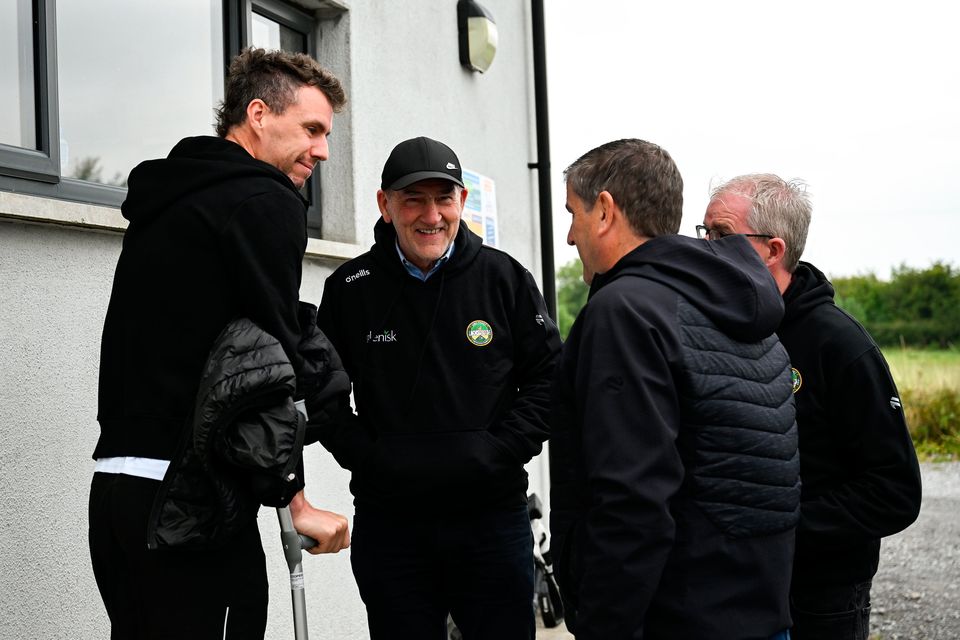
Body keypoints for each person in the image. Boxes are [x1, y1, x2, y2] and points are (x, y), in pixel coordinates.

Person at [90, 48, 351, 639]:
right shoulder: (264, 200)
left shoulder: (171, 199)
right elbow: (268, 367)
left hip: (117, 493)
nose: (323, 151)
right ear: (258, 114)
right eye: (312, 129)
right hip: (188, 507)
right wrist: (296, 499)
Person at [549, 138, 800, 640]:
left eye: (573, 213)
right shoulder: (739, 305)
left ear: (605, 211)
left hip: (676, 619)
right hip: (760, 614)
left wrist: (603, 627)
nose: (572, 236)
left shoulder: (626, 311)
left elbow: (632, 501)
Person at [314, 136, 562, 639]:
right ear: (385, 205)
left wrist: (497, 451)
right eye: (414, 199)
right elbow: (322, 391)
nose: (432, 215)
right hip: (392, 527)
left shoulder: (504, 279)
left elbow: (550, 378)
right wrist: (372, 456)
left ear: (462, 202)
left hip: (491, 521)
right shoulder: (349, 288)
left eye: (444, 198)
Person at [703, 174, 922, 640]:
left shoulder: (838, 345)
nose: (705, 249)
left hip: (819, 596)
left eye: (720, 235)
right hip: (733, 587)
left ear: (773, 250)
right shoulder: (720, 331)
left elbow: (894, 492)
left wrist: (782, 526)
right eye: (703, 234)